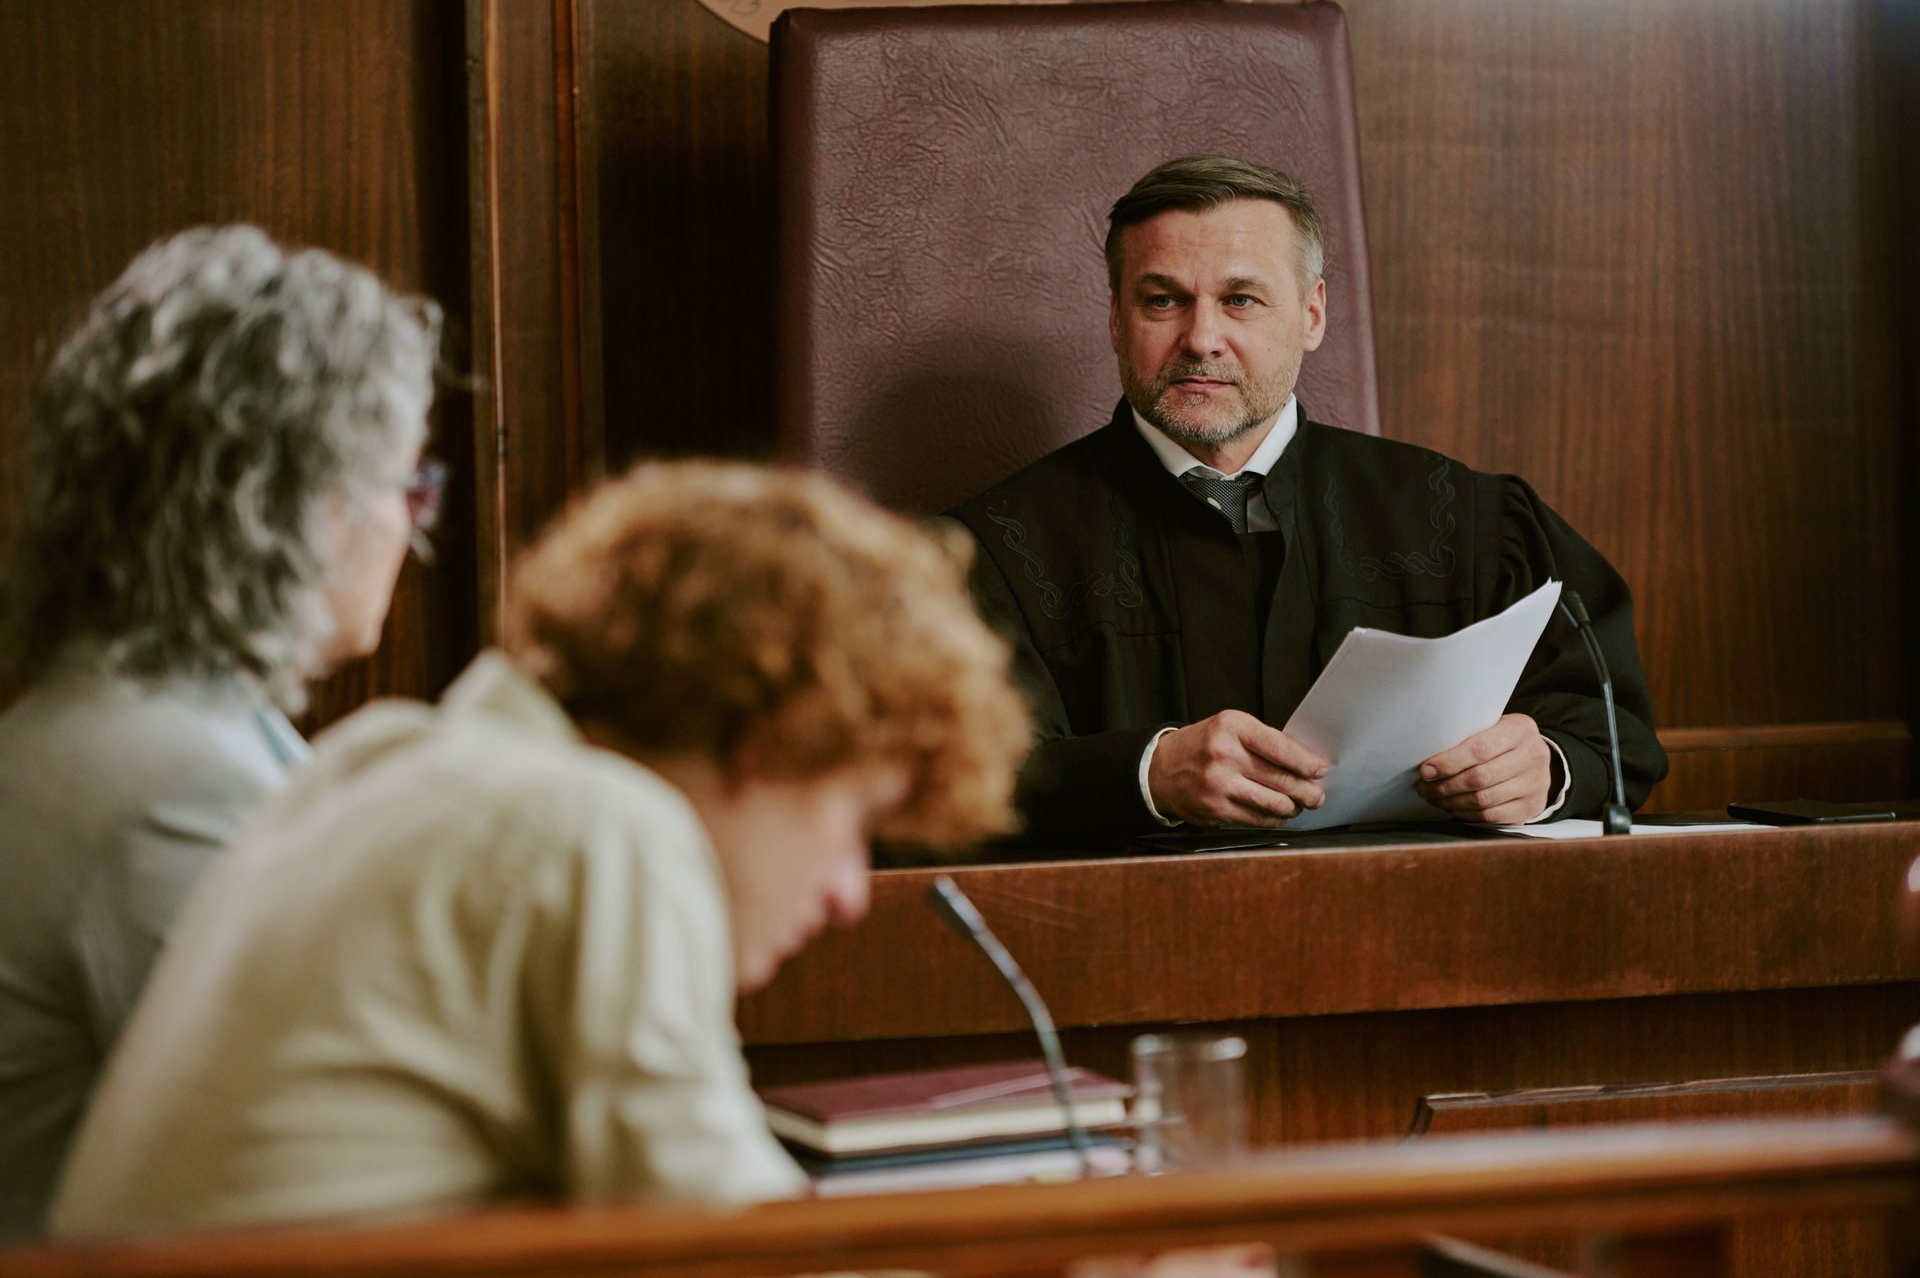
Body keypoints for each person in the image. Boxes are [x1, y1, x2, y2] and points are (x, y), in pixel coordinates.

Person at [49, 460, 1029, 1238]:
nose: (849, 891)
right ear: (767, 743)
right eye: (852, 820)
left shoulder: (384, 752)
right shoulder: (597, 825)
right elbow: (736, 1249)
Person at [947, 154, 1667, 841]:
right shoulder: (998, 550)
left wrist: (1548, 767)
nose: (1202, 338)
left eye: (1241, 300)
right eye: (1163, 300)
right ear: (1115, 320)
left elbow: (1613, 729)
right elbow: (936, 785)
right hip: (1128, 944)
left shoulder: (1463, 518)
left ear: (1312, 315)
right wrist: (1146, 775)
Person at [0, 225, 442, 1240]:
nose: (409, 532)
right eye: (407, 483)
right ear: (304, 503)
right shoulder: (168, 783)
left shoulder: (99, 724)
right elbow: (325, 1166)